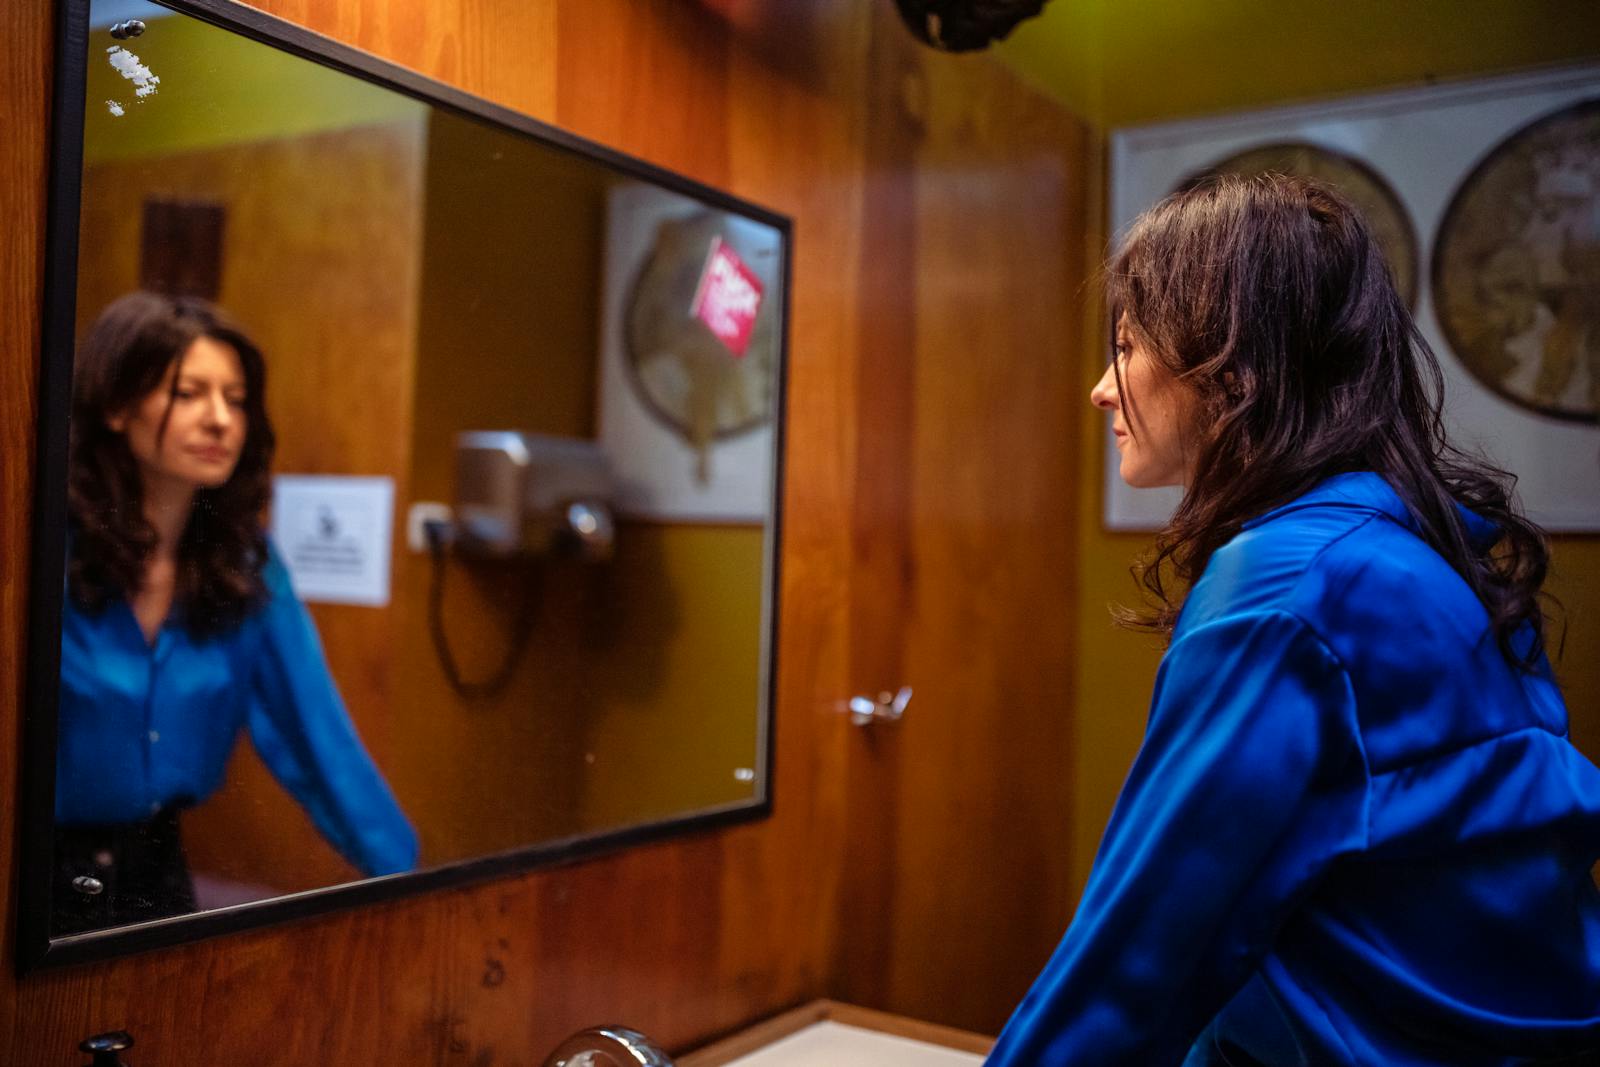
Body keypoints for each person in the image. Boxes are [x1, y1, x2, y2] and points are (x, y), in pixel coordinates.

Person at [987, 175, 1600, 1065]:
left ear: (1232, 365)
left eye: (1125, 347)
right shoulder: (1408, 550)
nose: (1100, 390)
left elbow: (1137, 959)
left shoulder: (1287, 585)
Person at [54, 291, 418, 934]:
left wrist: (418, 890)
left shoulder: (245, 565)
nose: (220, 419)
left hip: (156, 877)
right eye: (188, 393)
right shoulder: (46, 549)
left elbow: (319, 738)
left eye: (236, 398)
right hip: (34, 875)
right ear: (115, 406)